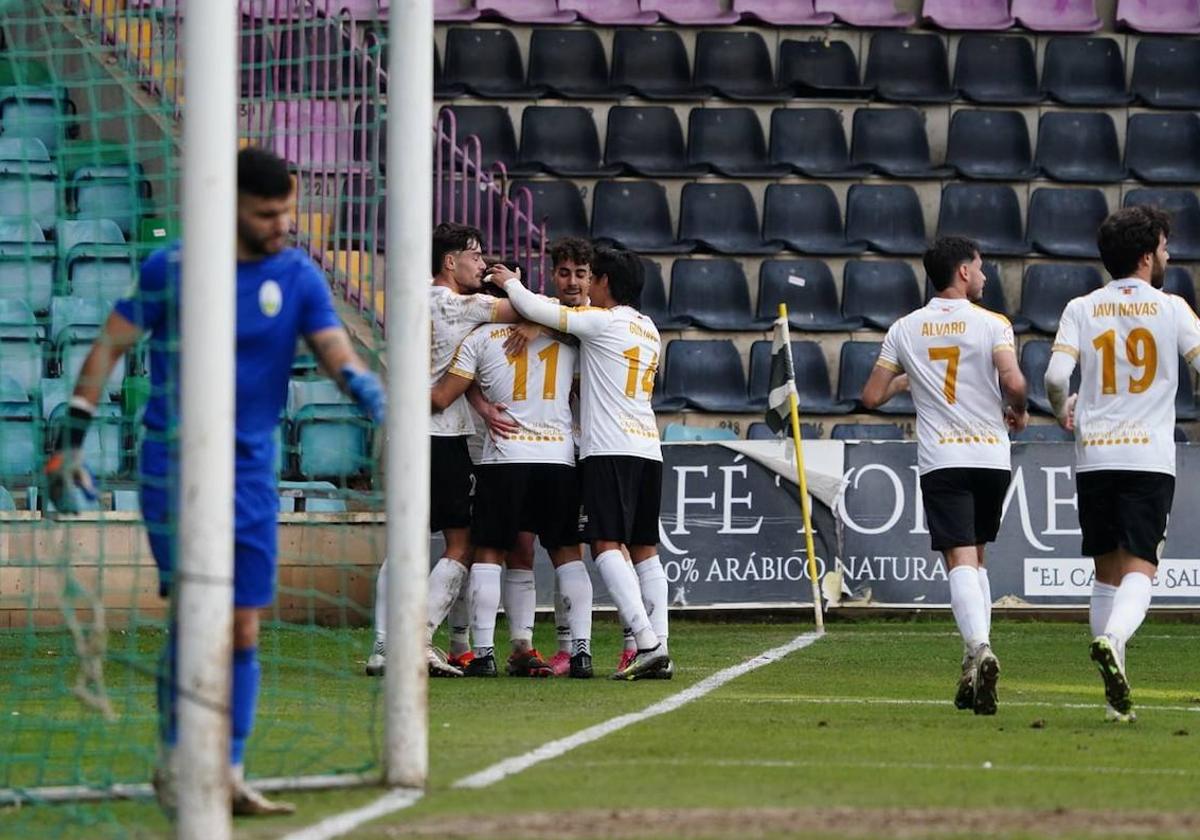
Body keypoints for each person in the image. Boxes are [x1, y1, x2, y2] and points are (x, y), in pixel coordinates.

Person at [44, 147, 386, 815]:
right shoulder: (172, 268)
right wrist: (73, 438)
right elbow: (110, 345)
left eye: (287, 210)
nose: (283, 223)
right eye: (267, 213)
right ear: (231, 205)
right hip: (176, 469)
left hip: (252, 475)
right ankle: (178, 759)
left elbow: (337, 354)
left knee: (243, 627)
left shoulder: (298, 276)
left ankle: (227, 771)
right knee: (197, 619)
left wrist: (381, 405)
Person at [1045, 206, 1200, 723]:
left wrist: (1063, 407)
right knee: (1143, 568)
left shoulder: (1081, 307)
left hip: (1096, 456)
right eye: (1163, 247)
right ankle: (1113, 638)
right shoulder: (1173, 308)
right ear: (1145, 255)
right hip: (1148, 457)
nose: (1168, 255)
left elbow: (1054, 375)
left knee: (1106, 573)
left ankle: (1116, 703)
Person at [862, 236, 1027, 716]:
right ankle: (972, 662)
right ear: (962, 272)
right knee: (976, 558)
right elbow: (1014, 382)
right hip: (991, 457)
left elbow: (871, 396)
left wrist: (907, 375)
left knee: (958, 559)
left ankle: (979, 649)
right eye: (980, 268)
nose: (984, 275)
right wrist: (1017, 409)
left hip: (944, 458)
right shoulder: (994, 323)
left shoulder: (905, 329)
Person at [500, 247, 671, 681]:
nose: (585, 285)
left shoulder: (603, 321)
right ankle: (659, 646)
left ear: (606, 283)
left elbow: (539, 308)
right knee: (645, 550)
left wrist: (508, 282)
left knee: (605, 545)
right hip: (648, 447)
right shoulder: (649, 329)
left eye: (591, 278)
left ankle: (647, 643)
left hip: (609, 449)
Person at [430, 237, 598, 679]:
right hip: (558, 457)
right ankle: (580, 650)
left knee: (488, 551)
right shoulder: (573, 336)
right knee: (567, 552)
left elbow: (446, 392)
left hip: (502, 459)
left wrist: (482, 404)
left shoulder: (480, 337)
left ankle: (482, 652)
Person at [365, 224, 520, 678]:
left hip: (403, 432)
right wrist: (514, 290)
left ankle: (382, 646)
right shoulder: (458, 305)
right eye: (474, 255)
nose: (482, 263)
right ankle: (412, 640)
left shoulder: (412, 301)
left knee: (406, 540)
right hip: (440, 435)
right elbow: (527, 309)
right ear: (449, 262)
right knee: (461, 540)